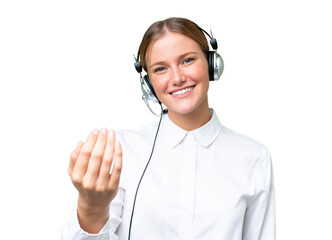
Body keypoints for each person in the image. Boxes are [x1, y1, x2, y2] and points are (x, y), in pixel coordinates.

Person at [62, 17, 275, 240]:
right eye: (161, 68)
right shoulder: (121, 150)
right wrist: (91, 208)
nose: (177, 78)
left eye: (187, 60)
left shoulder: (253, 157)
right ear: (149, 84)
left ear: (212, 63)